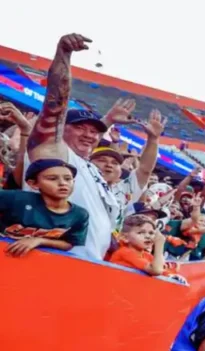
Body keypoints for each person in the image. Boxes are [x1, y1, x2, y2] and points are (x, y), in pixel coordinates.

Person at [26, 34, 142, 260]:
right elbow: (55, 104)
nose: (89, 135)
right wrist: (64, 55)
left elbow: (92, 138)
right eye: (80, 128)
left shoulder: (88, 168)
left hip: (88, 263)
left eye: (95, 130)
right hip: (52, 259)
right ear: (62, 129)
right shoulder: (55, 155)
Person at [0, 158, 88, 256]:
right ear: (33, 184)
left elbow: (69, 243)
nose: (63, 183)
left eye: (68, 179)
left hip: (37, 261)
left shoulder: (80, 214)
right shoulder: (16, 198)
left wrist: (39, 241)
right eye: (52, 178)